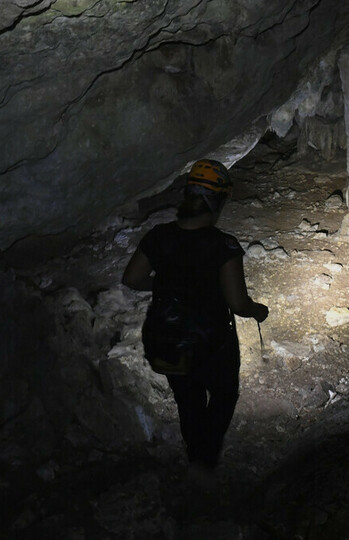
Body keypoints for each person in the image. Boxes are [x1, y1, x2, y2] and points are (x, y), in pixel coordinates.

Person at [121, 158, 269, 471]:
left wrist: (166, 284)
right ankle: (204, 460)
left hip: (168, 339)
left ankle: (195, 455)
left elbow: (132, 278)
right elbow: (238, 304)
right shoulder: (223, 246)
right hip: (212, 344)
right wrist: (258, 311)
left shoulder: (158, 236)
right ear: (218, 201)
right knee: (224, 396)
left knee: (188, 401)